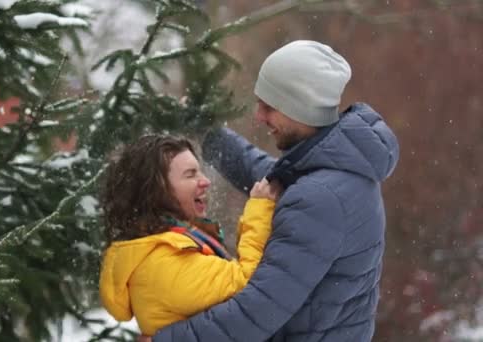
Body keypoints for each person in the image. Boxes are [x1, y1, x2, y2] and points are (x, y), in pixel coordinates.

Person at [152, 40, 400, 341]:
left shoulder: (320, 199)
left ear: (301, 107)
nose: (258, 115)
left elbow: (256, 311)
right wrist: (208, 133)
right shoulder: (337, 168)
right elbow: (266, 172)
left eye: (269, 106)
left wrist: (166, 338)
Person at [98, 134, 280, 337]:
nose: (205, 181)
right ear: (157, 189)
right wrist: (261, 208)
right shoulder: (161, 261)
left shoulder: (171, 244)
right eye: (190, 174)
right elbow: (251, 286)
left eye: (200, 171)